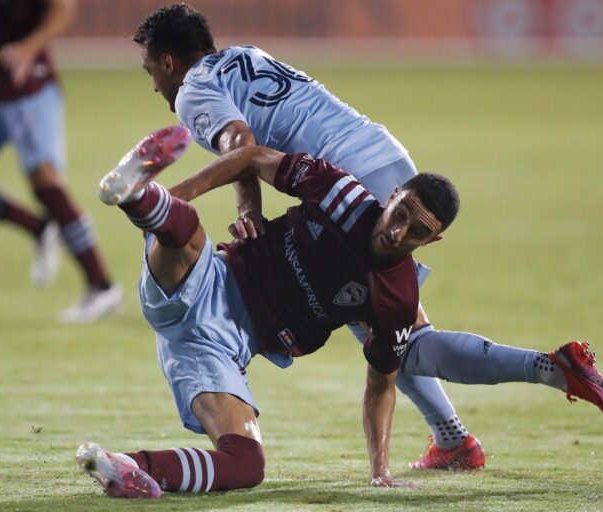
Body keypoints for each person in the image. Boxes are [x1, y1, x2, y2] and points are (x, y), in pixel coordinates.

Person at [77, 141, 603, 498]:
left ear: (432, 241)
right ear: (392, 196)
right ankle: (142, 194)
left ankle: (132, 468)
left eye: (416, 231)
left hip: (221, 351)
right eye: (401, 213)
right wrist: (235, 208)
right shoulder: (340, 191)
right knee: (183, 232)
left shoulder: (396, 296)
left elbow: (382, 385)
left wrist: (379, 468)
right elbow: (250, 157)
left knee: (247, 465)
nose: (398, 231)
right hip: (212, 283)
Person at [128, 3, 475, 469]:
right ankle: (453, 437)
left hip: (346, 180)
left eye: (151, 70)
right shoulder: (245, 56)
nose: (154, 85)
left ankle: (524, 382)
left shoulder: (192, 90)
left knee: (391, 327)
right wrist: (250, 201)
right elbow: (250, 142)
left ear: (168, 62)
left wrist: (237, 205)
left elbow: (240, 142)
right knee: (385, 321)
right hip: (385, 159)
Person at [0, 0, 122, 322]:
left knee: (46, 183)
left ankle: (102, 287)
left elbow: (64, 9)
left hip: (30, 90)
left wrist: (29, 48)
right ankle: (38, 228)